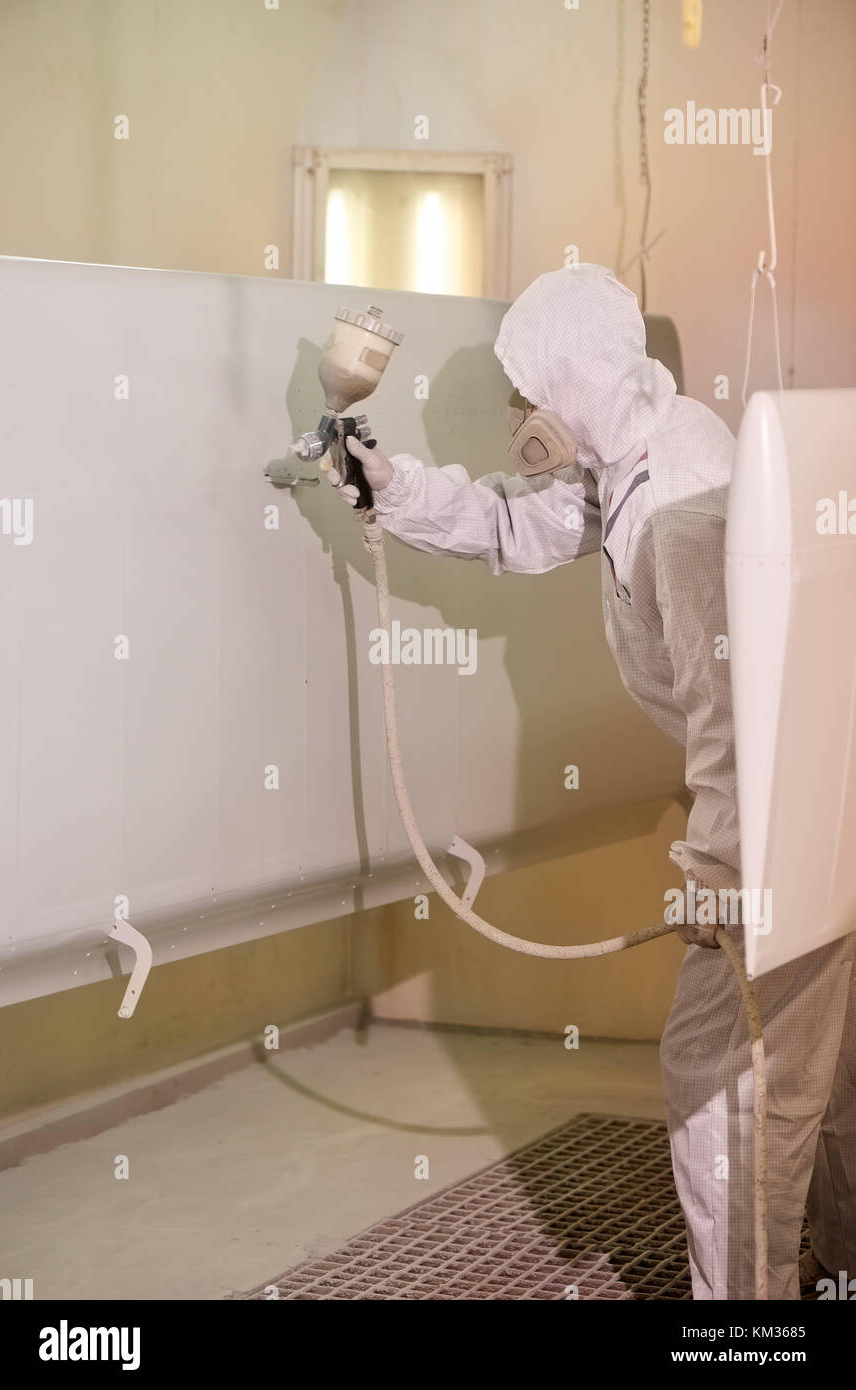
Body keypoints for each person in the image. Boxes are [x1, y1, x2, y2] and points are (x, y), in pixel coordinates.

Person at [328, 263, 856, 1301]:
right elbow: (514, 525)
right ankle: (836, 1265)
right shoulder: (648, 453)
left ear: (576, 376)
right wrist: (393, 488)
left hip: (786, 829)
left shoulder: (681, 508)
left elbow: (739, 716)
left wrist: (717, 877)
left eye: (530, 387)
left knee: (725, 1092)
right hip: (823, 813)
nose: (523, 411)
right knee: (822, 1072)